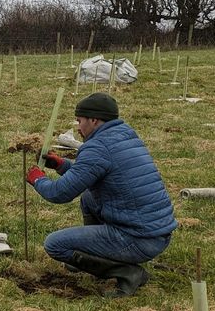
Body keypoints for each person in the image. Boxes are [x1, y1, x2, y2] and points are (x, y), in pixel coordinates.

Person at [26, 92, 177, 297]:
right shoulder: (125, 135)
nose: (78, 128)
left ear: (94, 120)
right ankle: (95, 255)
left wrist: (37, 179)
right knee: (89, 197)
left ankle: (128, 273)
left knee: (54, 244)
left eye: (80, 121)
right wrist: (62, 165)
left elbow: (59, 194)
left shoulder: (97, 147)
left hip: (137, 238)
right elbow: (93, 172)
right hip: (157, 233)